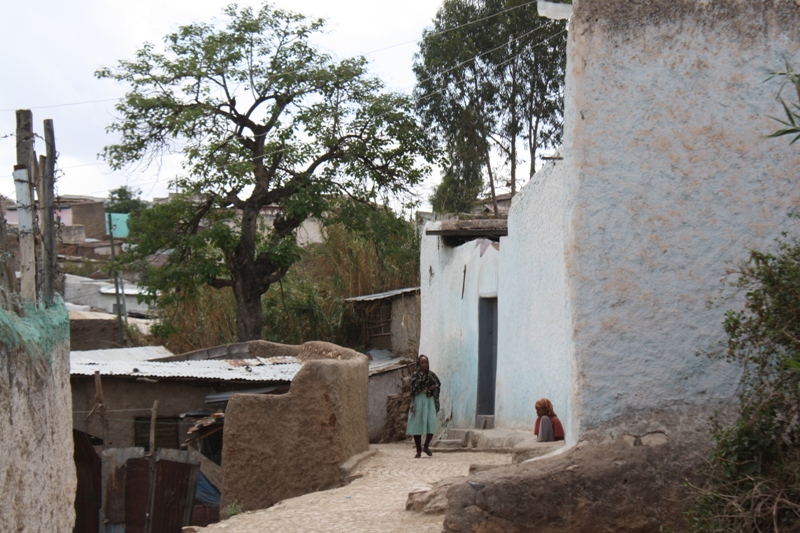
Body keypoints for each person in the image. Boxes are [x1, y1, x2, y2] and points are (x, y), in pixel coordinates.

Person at [407, 355, 440, 458]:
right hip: (419, 400)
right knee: (418, 424)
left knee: (431, 422)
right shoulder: (416, 376)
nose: (424, 364)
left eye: (426, 362)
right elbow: (412, 390)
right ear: (419, 364)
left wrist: (433, 388)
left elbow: (438, 385)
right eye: (422, 363)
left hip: (429, 400)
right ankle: (418, 450)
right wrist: (412, 403)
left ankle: (426, 446)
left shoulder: (432, 375)